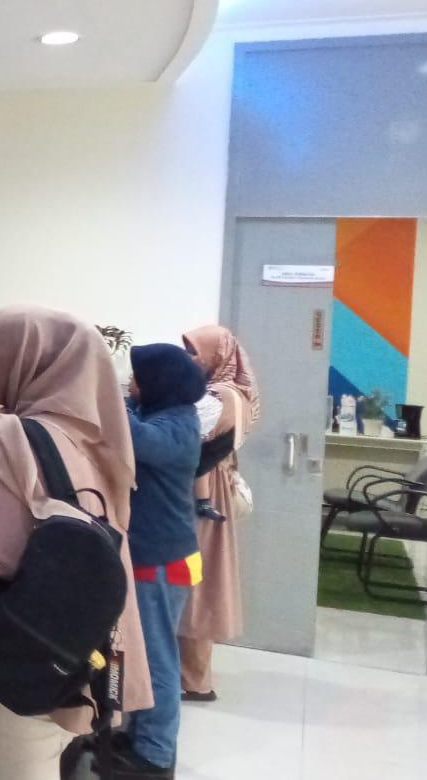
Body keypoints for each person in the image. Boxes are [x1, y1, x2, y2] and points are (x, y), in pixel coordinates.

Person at [0, 305, 151, 780]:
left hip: (28, 650)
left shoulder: (17, 433)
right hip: (85, 644)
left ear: (29, 361)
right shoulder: (96, 434)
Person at [115, 344, 206, 779]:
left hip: (164, 561)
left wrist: (104, 396)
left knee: (157, 658)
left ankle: (154, 753)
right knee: (143, 653)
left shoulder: (178, 425)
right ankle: (139, 735)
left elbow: (134, 438)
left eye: (138, 376)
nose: (131, 383)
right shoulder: (159, 411)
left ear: (159, 382)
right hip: (155, 555)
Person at [178, 325, 259, 702]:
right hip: (214, 488)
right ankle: (192, 675)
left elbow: (188, 436)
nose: (189, 359)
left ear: (218, 355)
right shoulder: (237, 393)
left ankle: (193, 679)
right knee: (199, 579)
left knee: (195, 582)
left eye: (195, 351)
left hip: (205, 493)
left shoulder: (219, 396)